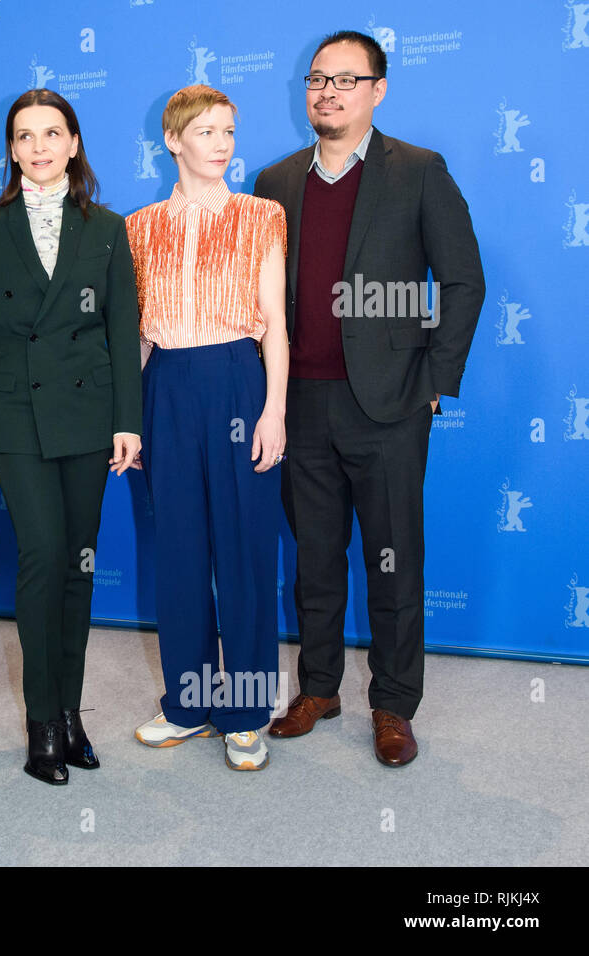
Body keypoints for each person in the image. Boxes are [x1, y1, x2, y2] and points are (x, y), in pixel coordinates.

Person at [254, 31, 483, 766]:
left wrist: (435, 385)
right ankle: (318, 688)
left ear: (377, 90)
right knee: (315, 559)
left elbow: (461, 282)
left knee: (392, 560)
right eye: (318, 79)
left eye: (346, 80)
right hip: (301, 404)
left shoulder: (417, 172)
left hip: (388, 405)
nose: (328, 92)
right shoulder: (275, 182)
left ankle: (393, 704)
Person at [0, 89, 142, 785]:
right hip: (14, 415)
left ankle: (71, 714)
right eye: (25, 135)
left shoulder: (106, 227)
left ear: (73, 143)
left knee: (79, 565)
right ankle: (41, 725)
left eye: (51, 133)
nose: (38, 146)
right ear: (10, 150)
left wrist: (129, 420)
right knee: (40, 558)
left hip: (90, 415)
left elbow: (121, 331)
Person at [126, 86, 288, 771]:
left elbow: (276, 321)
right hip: (165, 385)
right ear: (173, 140)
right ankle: (187, 707)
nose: (221, 142)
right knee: (181, 554)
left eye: (228, 130)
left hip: (237, 381)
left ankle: (247, 714)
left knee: (246, 552)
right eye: (206, 130)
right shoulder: (136, 227)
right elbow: (134, 334)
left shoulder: (262, 215)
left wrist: (274, 409)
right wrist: (127, 421)